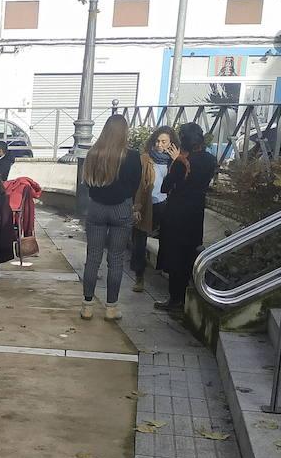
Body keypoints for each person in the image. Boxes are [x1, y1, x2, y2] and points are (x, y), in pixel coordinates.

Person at [80, 114, 142, 322]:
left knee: (93, 257)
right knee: (115, 259)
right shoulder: (132, 156)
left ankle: (87, 306)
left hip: (96, 208)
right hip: (121, 209)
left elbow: (87, 183)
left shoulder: (94, 153)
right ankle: (111, 308)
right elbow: (135, 185)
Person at [155, 123, 216, 313]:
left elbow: (166, 186)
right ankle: (185, 294)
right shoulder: (210, 159)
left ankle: (175, 298)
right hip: (196, 211)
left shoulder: (183, 162)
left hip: (177, 211)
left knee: (175, 254)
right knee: (190, 251)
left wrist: (176, 161)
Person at [133, 126, 175, 293]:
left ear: (171, 143)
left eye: (164, 141)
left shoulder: (174, 161)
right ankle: (139, 276)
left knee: (167, 239)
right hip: (146, 204)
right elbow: (138, 184)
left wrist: (177, 160)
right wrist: (136, 206)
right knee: (139, 241)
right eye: (157, 141)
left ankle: (164, 270)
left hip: (165, 205)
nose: (159, 144)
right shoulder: (145, 159)